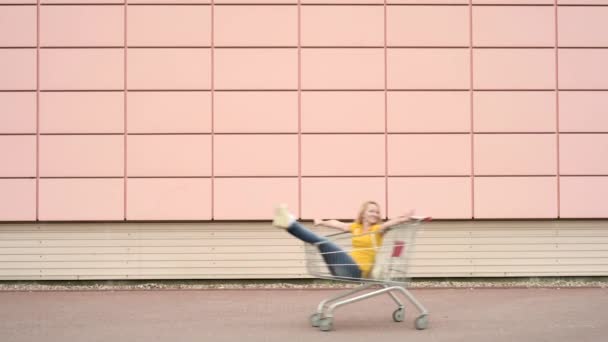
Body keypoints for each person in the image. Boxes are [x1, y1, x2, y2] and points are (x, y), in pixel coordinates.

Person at [272, 201, 414, 280]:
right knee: (321, 244)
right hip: (343, 267)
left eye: (377, 212)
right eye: (371, 211)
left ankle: (290, 224)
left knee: (324, 242)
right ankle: (289, 224)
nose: (375, 214)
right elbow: (337, 223)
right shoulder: (356, 228)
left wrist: (403, 218)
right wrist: (322, 222)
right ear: (363, 214)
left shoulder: (377, 230)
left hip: (357, 272)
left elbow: (390, 224)